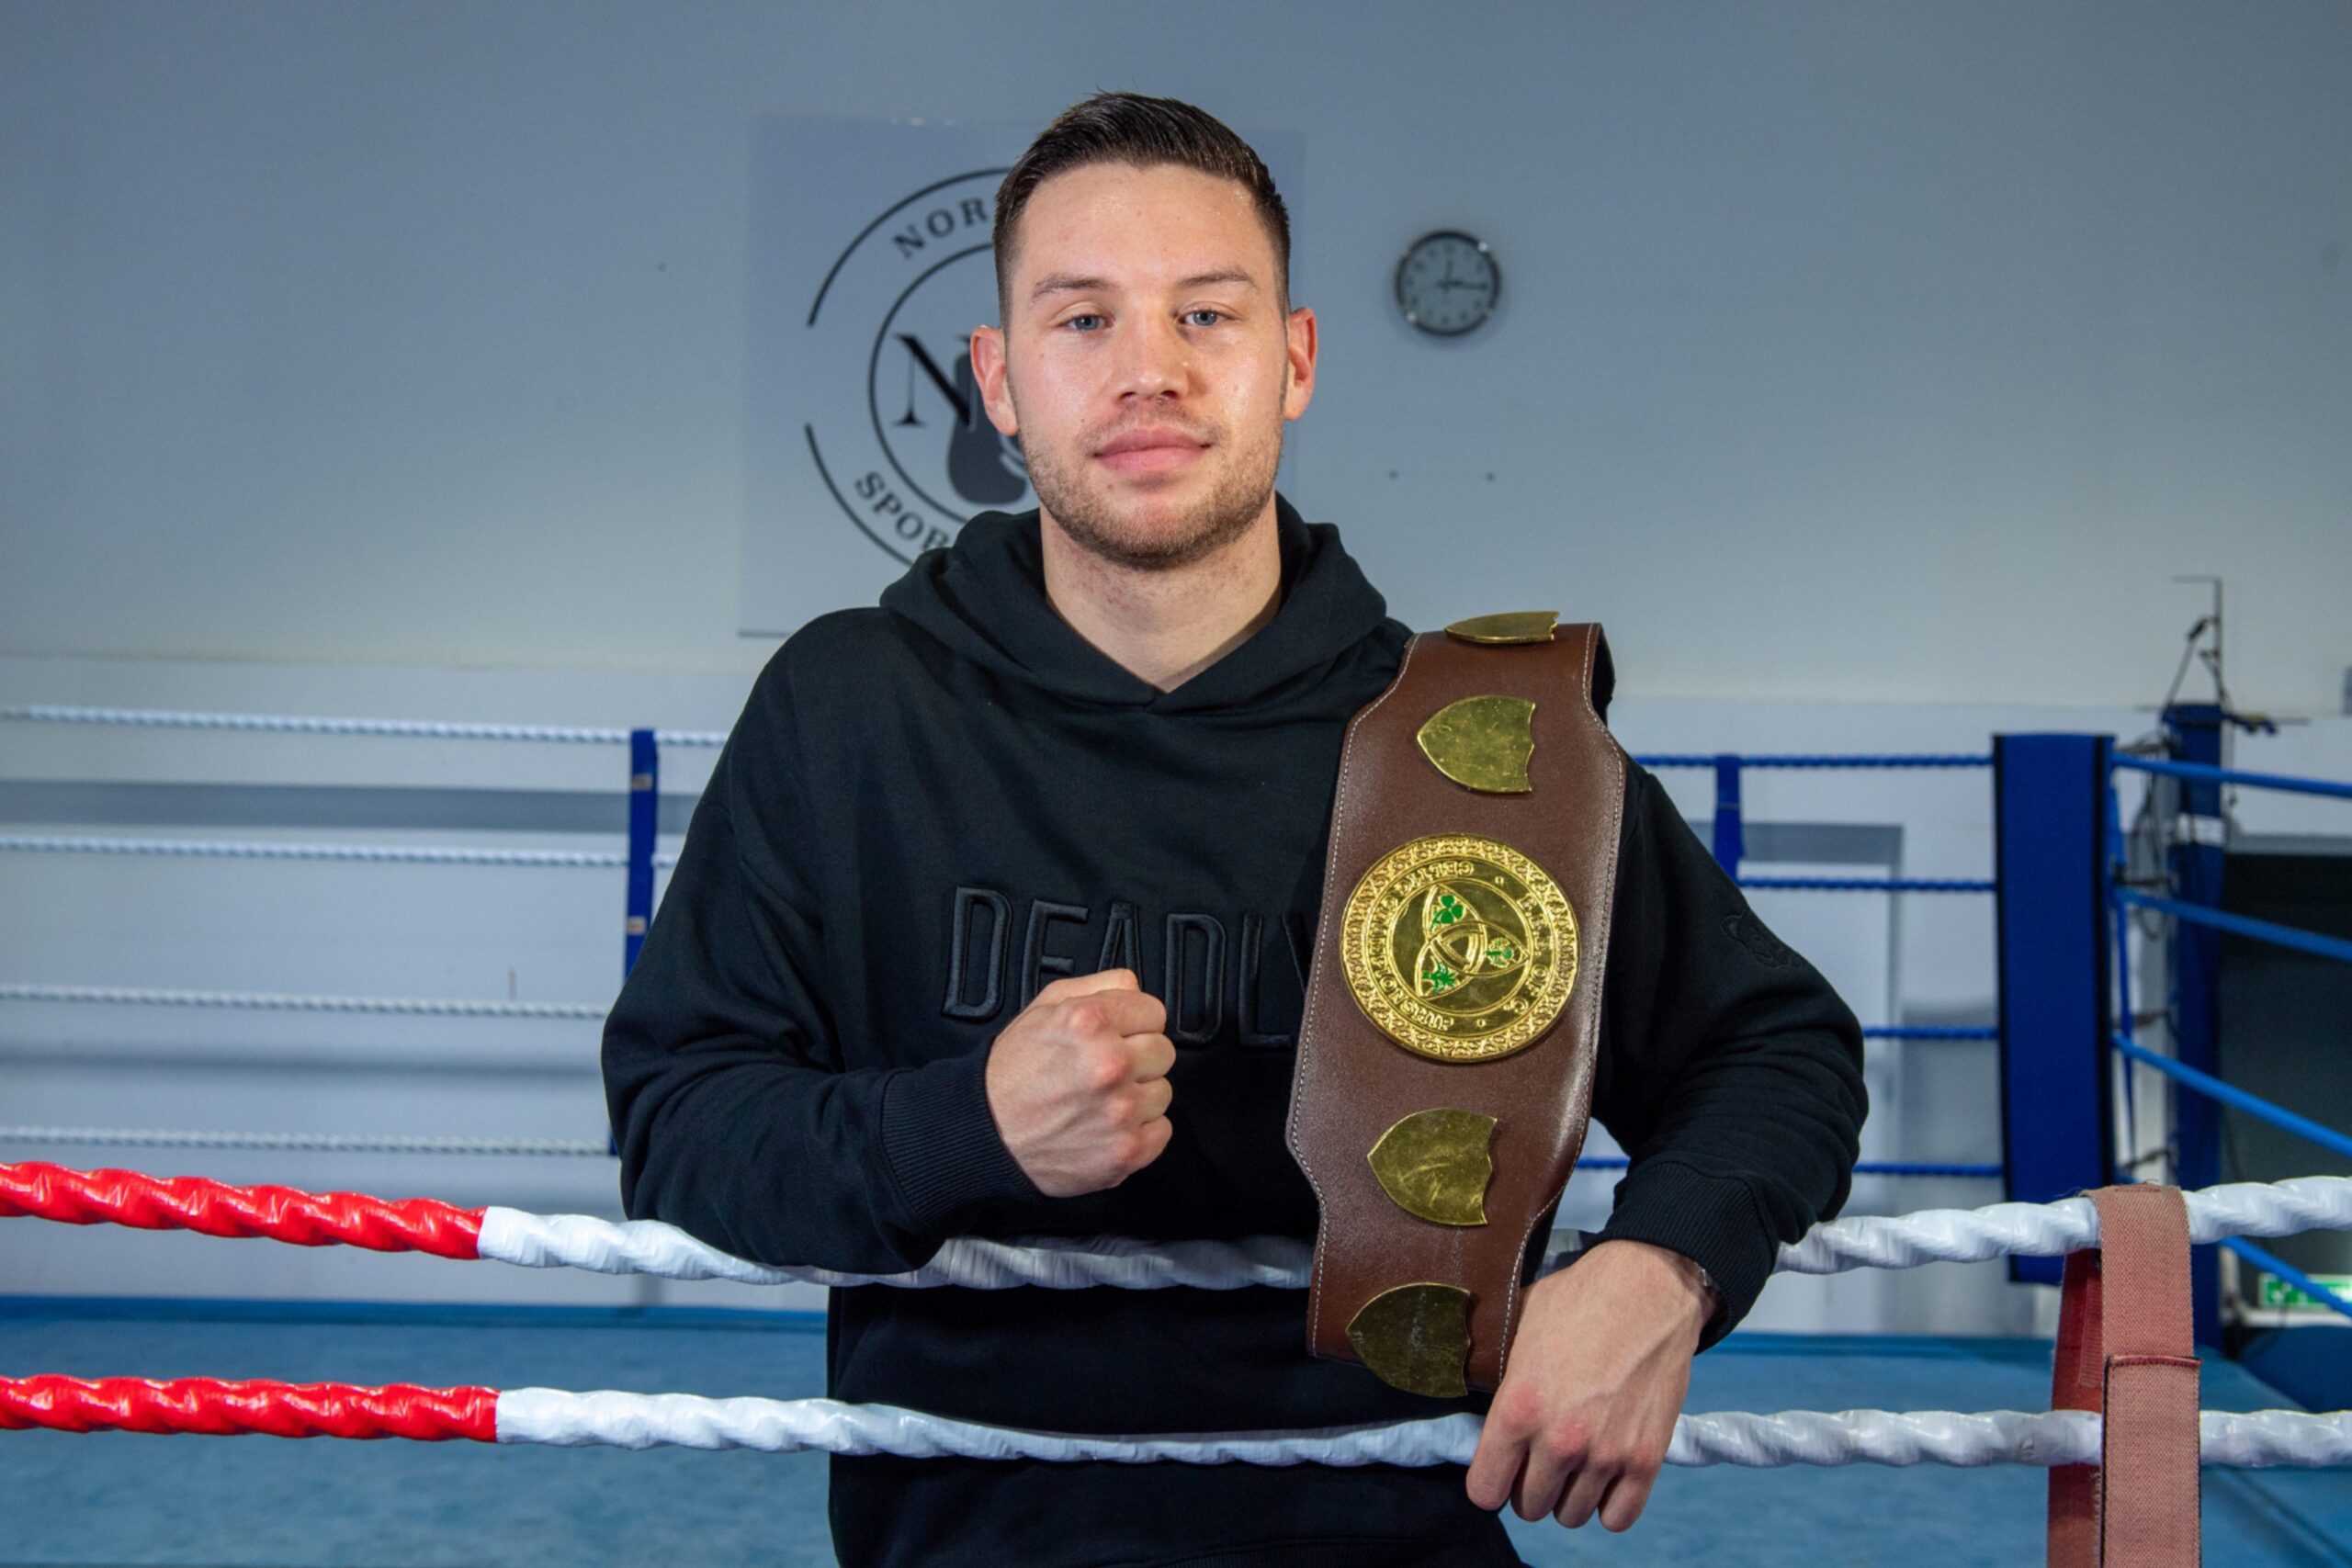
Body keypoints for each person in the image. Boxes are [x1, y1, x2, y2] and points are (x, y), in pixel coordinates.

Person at [603, 91, 1865, 1568]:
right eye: (1083, 321)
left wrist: (1662, 1268)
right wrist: (963, 1126)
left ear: (1297, 358)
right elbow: (682, 1120)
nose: (1150, 371)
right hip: (972, 1536)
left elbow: (1777, 1048)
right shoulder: (849, 707)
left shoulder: (1480, 735)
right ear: (998, 382)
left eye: (1208, 314)